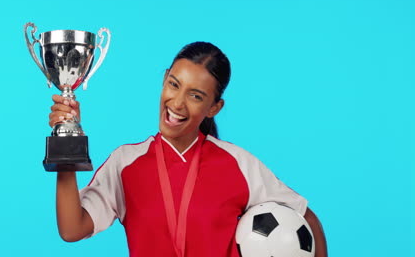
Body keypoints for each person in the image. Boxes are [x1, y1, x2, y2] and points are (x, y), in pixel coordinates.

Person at [49, 42, 328, 257]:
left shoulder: (237, 163)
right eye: (174, 85)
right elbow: (73, 229)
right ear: (164, 80)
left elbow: (305, 217)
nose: (178, 103)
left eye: (195, 96)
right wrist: (66, 146)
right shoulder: (126, 164)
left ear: (214, 108)